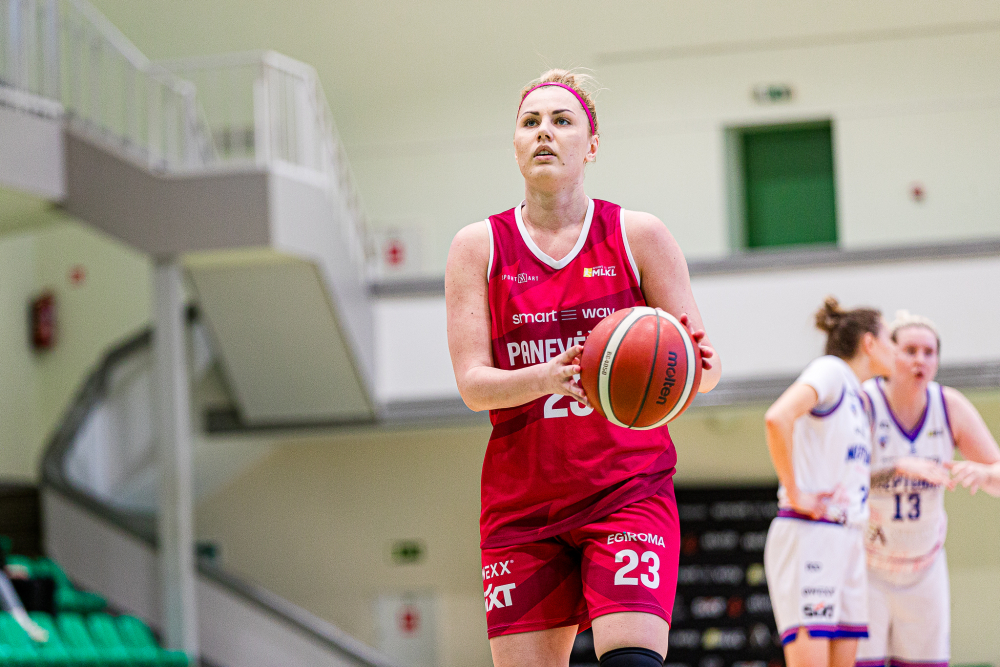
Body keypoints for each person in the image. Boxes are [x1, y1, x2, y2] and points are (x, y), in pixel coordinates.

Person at [445, 69, 720, 667]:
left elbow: (704, 367)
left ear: (591, 145)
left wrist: (700, 365)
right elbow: (473, 385)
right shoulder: (478, 246)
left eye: (562, 121)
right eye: (530, 122)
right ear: (515, 144)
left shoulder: (637, 234)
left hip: (626, 488)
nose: (544, 132)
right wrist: (549, 376)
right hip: (522, 505)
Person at [855, 311, 1000, 667]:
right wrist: (896, 468)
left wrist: (984, 474)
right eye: (910, 350)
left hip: (924, 569)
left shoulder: (949, 405)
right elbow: (839, 478)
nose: (920, 359)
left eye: (929, 352)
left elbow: (997, 472)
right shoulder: (864, 402)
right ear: (891, 353)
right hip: (867, 566)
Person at [763, 297, 895, 667]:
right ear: (869, 343)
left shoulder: (860, 397)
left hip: (848, 538)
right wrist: (794, 492)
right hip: (812, 533)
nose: (896, 350)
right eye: (891, 339)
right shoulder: (831, 371)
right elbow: (777, 417)